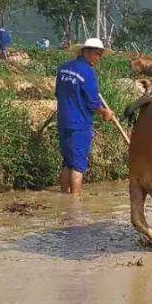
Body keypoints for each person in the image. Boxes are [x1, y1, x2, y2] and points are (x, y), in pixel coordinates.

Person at [55, 37, 114, 195]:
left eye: (100, 54)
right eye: (96, 54)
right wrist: (105, 112)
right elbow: (93, 103)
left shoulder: (63, 69)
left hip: (63, 122)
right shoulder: (87, 72)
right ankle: (75, 203)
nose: (98, 58)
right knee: (78, 166)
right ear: (85, 51)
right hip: (79, 125)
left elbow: (58, 94)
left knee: (68, 163)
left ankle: (64, 199)